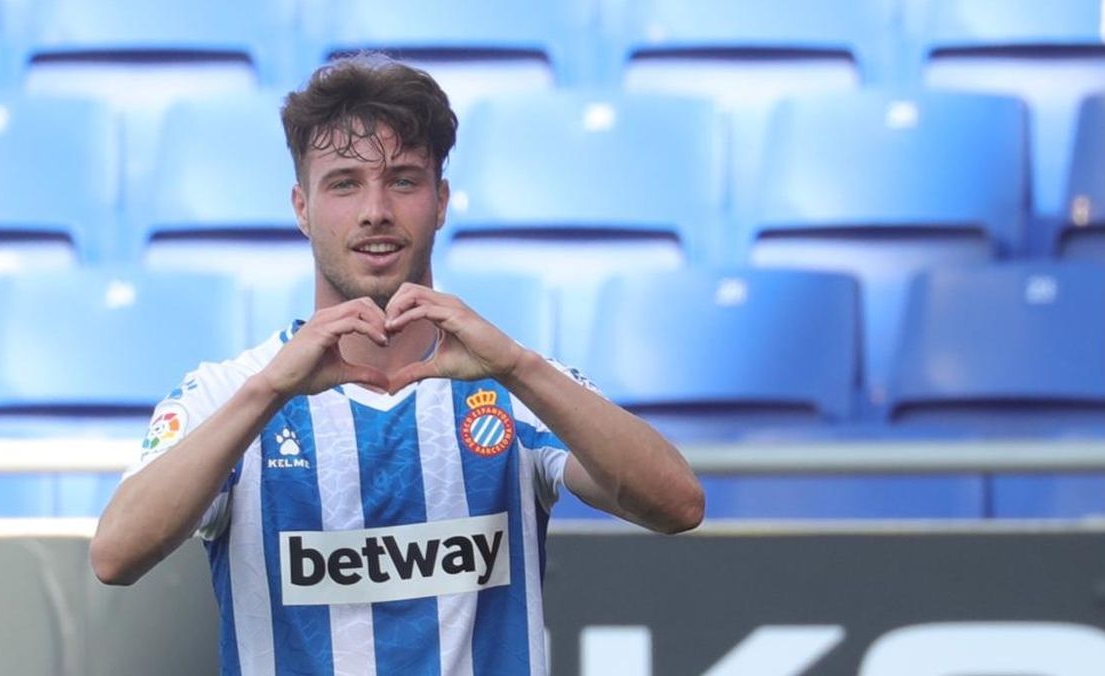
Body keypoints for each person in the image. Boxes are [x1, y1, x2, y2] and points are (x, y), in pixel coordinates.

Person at [90, 54, 704, 675]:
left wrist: (518, 368)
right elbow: (116, 557)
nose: (375, 210)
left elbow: (678, 505)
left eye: (404, 180)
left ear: (441, 202)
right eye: (345, 183)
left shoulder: (515, 383)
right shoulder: (231, 391)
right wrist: (270, 390)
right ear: (302, 208)